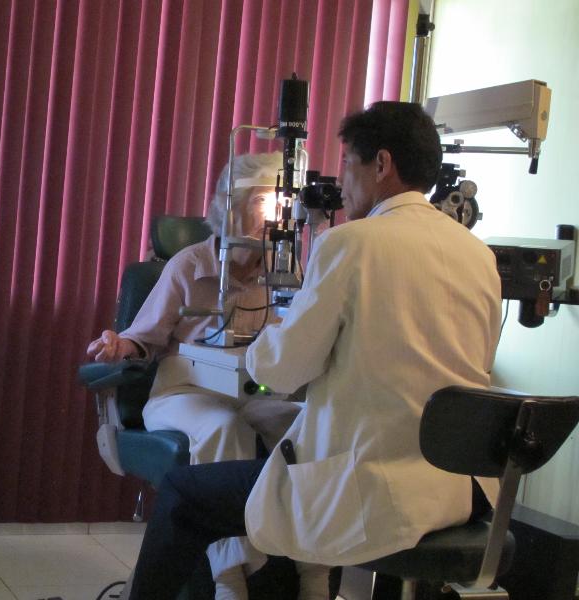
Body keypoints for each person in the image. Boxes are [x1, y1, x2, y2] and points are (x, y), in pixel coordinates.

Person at [125, 101, 502, 600]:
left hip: (375, 489)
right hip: (460, 492)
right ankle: (300, 583)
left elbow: (281, 371)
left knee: (182, 495)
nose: (341, 182)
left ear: (381, 164)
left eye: (347, 163)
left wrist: (264, 345)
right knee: (273, 433)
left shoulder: (350, 244)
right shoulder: (478, 255)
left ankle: (271, 580)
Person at [87, 152, 305, 599]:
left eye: (279, 204)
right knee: (224, 428)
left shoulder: (283, 271)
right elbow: (142, 338)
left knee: (308, 427)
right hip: (181, 394)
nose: (273, 216)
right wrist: (117, 345)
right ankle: (230, 576)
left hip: (253, 391)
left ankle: (311, 573)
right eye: (262, 202)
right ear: (231, 206)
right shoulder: (188, 265)